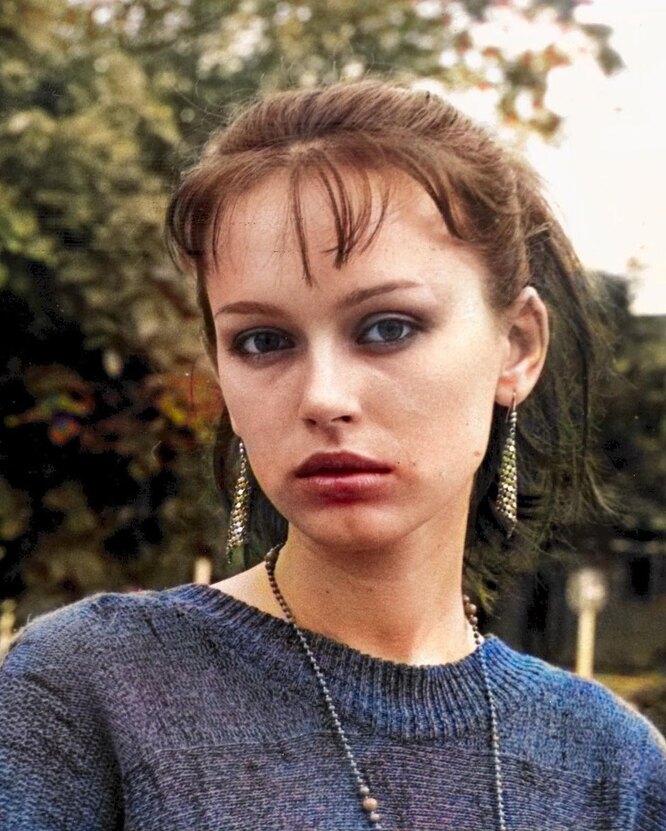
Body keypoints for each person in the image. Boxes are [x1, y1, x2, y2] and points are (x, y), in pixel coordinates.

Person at [1, 79, 664, 830]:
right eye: (263, 341)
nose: (322, 396)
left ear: (517, 346)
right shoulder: (89, 691)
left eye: (387, 327)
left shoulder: (614, 769)